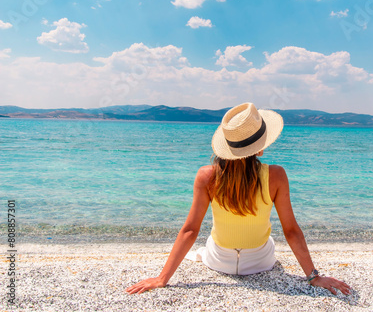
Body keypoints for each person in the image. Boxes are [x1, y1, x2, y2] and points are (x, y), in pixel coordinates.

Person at [125, 102, 351, 296]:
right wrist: (313, 277)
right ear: (260, 148)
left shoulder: (206, 176)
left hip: (219, 261)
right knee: (269, 241)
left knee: (208, 244)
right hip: (259, 262)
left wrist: (162, 278)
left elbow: (190, 230)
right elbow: (291, 230)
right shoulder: (276, 176)